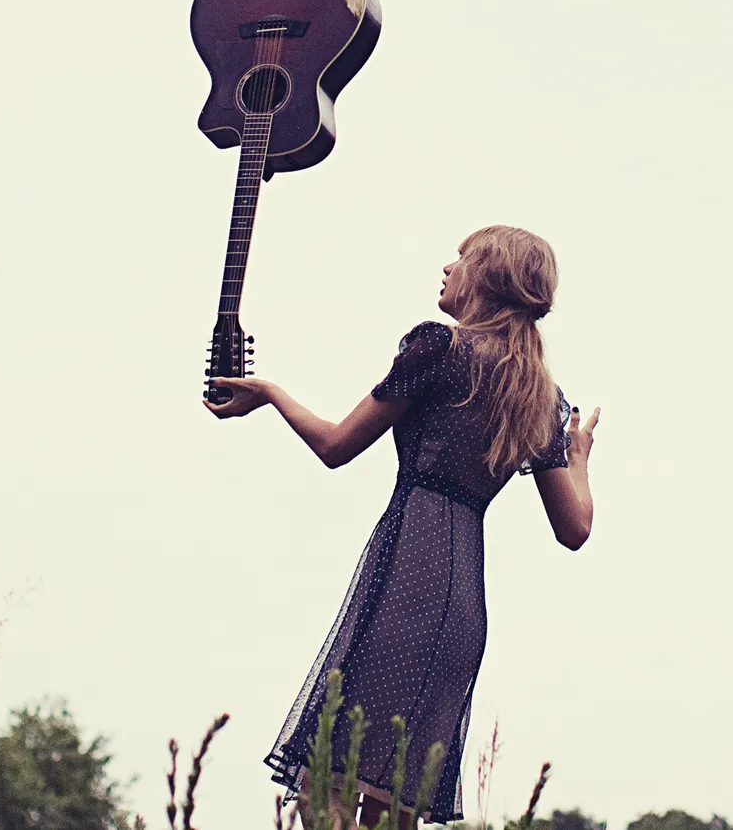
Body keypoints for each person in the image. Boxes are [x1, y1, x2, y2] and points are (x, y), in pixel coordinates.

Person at [205, 225, 599, 828]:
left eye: (463, 258)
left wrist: (271, 393)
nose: (448, 267)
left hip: (402, 578)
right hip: (463, 601)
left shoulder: (437, 348)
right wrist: (579, 456)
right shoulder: (543, 398)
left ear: (489, 277)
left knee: (328, 775)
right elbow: (575, 529)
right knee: (394, 803)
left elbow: (336, 445)